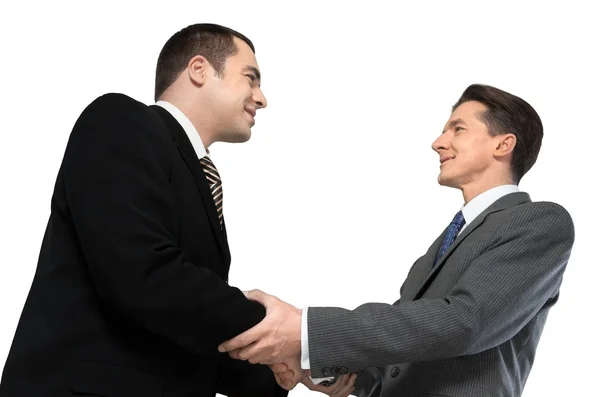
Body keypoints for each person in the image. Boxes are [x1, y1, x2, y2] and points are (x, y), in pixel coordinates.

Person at [218, 84, 576, 397]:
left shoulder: (540, 222)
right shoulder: (440, 248)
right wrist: (324, 369)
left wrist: (306, 330)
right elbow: (399, 362)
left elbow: (465, 323)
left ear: (503, 143)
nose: (438, 142)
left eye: (458, 129)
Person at [0, 23, 287, 397]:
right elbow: (144, 275)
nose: (261, 97)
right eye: (250, 78)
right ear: (198, 69)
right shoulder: (119, 120)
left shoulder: (198, 177)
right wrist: (289, 334)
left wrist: (287, 370)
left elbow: (185, 326)